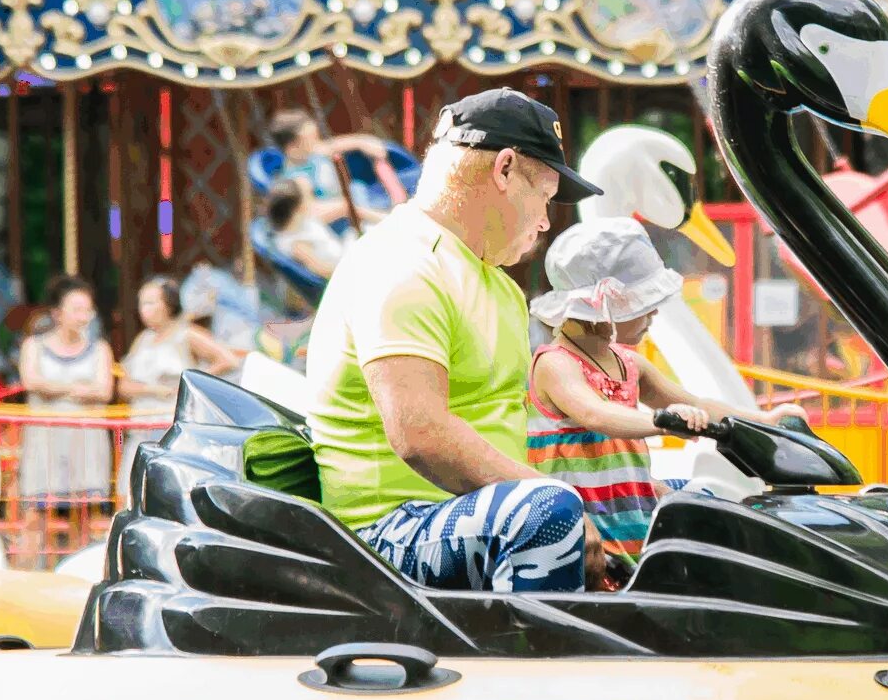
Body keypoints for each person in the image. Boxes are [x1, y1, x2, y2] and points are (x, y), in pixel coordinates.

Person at [303, 89, 605, 593]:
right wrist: (555, 494)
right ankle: (535, 667)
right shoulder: (402, 265)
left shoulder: (495, 282)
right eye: (546, 197)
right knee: (549, 513)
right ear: (505, 170)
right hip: (385, 532)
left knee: (682, 505)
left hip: (477, 514)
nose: (546, 221)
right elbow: (419, 433)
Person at [525, 220, 760, 581]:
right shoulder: (555, 364)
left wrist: (767, 422)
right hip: (586, 539)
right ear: (604, 307)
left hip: (631, 525)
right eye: (644, 303)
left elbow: (698, 402)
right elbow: (595, 413)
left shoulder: (629, 364)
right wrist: (663, 422)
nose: (653, 313)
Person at [117, 275, 241, 484]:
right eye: (141, 303)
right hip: (142, 425)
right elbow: (124, 386)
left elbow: (228, 360)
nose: (143, 309)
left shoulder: (187, 334)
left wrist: (188, 383)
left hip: (172, 423)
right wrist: (152, 390)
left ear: (167, 305)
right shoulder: (143, 340)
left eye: (150, 303)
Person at [16, 275, 114, 505]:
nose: (83, 317)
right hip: (44, 442)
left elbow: (103, 391)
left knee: (87, 511)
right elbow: (31, 382)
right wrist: (77, 388)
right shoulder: (34, 346)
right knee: (36, 508)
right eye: (77, 309)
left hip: (86, 442)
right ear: (57, 313)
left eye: (88, 310)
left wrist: (53, 389)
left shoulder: (100, 349)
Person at [268, 108, 408, 231]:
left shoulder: (311, 151)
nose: (317, 142)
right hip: (345, 224)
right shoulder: (298, 179)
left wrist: (363, 141)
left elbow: (331, 145)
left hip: (358, 199)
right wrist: (354, 211)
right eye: (311, 139)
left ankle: (399, 200)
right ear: (292, 148)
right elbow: (310, 216)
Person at [263, 177, 345, 279]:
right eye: (308, 197)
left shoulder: (300, 221)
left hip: (344, 254)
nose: (312, 199)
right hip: (343, 270)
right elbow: (323, 269)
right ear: (298, 208)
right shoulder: (297, 244)